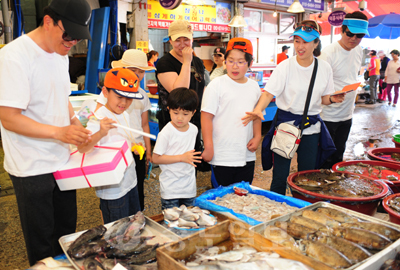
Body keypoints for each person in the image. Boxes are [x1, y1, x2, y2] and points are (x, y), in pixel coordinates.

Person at [0, 0, 92, 265]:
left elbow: (62, 97)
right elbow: (9, 119)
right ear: (49, 21)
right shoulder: (14, 56)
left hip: (61, 162)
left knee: (65, 238)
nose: (72, 41)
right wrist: (59, 133)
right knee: (41, 245)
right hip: (31, 167)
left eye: (77, 36)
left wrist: (74, 123)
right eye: (68, 34)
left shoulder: (60, 55)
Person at [242, 20, 345, 195]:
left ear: (316, 43)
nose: (300, 46)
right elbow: (268, 93)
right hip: (286, 126)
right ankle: (277, 208)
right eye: (297, 41)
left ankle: (302, 208)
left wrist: (333, 99)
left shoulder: (324, 68)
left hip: (311, 128)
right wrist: (259, 108)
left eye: (305, 42)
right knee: (280, 175)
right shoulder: (285, 66)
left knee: (307, 175)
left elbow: (323, 99)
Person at [80, 68, 141, 224]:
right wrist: (100, 132)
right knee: (116, 232)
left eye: (129, 98)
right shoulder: (97, 117)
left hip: (130, 181)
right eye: (119, 97)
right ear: (105, 92)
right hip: (112, 189)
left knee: (133, 225)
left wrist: (134, 146)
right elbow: (83, 148)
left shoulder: (125, 113)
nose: (124, 103)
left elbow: (123, 139)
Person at [97, 49, 155, 211]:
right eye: (132, 71)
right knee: (113, 195)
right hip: (113, 150)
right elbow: (97, 117)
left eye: (141, 71)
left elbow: (144, 124)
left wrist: (148, 151)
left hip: (136, 149)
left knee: (135, 190)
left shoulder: (142, 95)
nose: (137, 75)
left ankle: (136, 219)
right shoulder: (111, 91)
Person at [201, 38, 261, 186]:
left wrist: (258, 136)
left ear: (250, 63)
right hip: (222, 155)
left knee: (243, 197)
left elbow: (257, 115)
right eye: (231, 61)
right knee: (221, 199)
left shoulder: (254, 87)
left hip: (246, 155)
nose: (235, 66)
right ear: (225, 62)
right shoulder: (216, 85)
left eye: (241, 62)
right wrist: (208, 147)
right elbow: (206, 117)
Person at [319, 11, 369, 169]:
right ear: (342, 30)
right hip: (327, 116)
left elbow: (352, 75)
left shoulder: (358, 50)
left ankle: (333, 187)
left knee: (339, 154)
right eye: (350, 34)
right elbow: (318, 87)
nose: (354, 39)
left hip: (347, 114)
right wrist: (333, 95)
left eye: (359, 35)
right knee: (323, 157)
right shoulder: (327, 53)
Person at [156, 20, 206, 152]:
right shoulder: (165, 63)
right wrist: (186, 62)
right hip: (173, 122)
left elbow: (202, 89)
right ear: (170, 41)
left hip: (194, 120)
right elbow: (179, 91)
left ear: (192, 39)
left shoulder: (198, 62)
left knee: (192, 158)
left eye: (186, 39)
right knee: (174, 159)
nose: (183, 44)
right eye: (178, 40)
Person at [152, 88, 202, 209]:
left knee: (189, 220)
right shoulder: (166, 133)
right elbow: (155, 158)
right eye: (175, 113)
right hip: (171, 189)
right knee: (172, 223)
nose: (180, 118)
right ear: (168, 110)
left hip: (189, 187)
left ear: (193, 112)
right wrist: (181, 158)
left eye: (185, 114)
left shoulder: (194, 129)